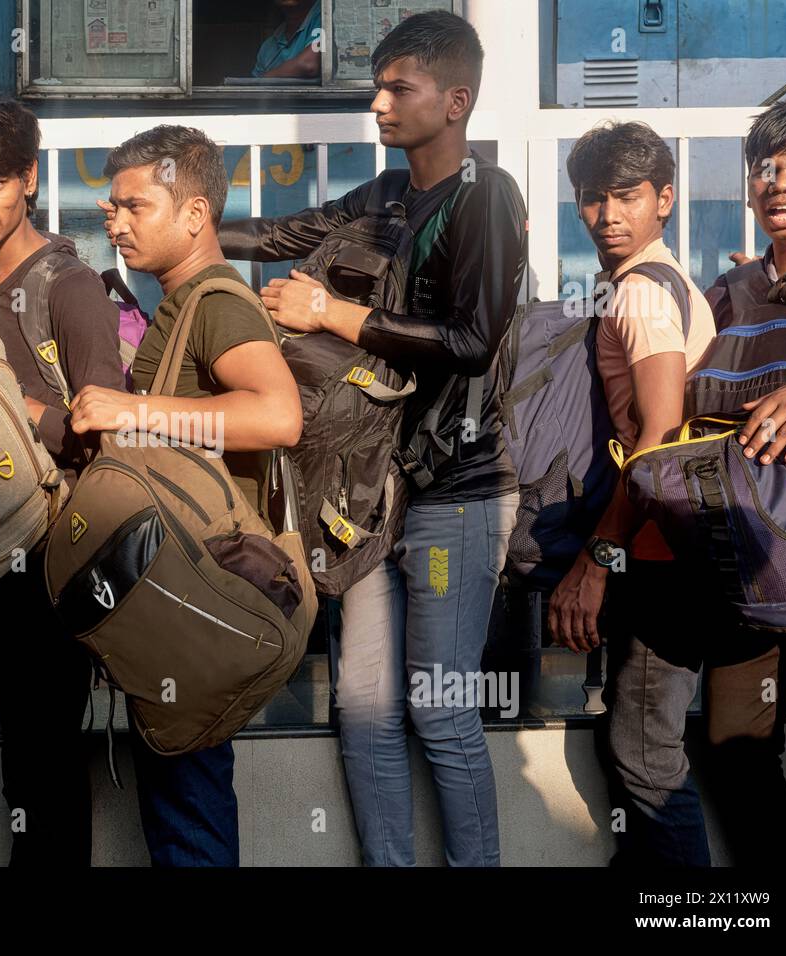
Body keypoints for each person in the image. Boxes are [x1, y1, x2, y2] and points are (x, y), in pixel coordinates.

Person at [210, 11, 526, 867]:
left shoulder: (485, 196)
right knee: (362, 705)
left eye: (400, 88)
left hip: (456, 492)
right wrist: (186, 234)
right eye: (377, 87)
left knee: (441, 705)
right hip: (371, 495)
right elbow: (283, 236)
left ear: (455, 100)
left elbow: (473, 340)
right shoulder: (386, 195)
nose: (379, 105)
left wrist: (334, 313)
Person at [82, 124, 302, 866]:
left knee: (191, 825)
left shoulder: (217, 302)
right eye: (111, 208)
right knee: (181, 818)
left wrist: (132, 412)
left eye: (135, 206)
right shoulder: (176, 303)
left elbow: (278, 415)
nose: (116, 223)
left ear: (195, 214)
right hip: (180, 601)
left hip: (202, 601)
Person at [0, 94, 126, 865]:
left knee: (45, 775)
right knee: (19, 779)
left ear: (29, 179)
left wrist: (4, 401)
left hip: (52, 570)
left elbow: (101, 433)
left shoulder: (69, 289)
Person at [551, 121, 716, 867]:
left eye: (627, 195)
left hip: (658, 550)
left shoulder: (644, 296)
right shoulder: (652, 284)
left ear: (665, 199)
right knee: (638, 744)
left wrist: (596, 564)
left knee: (645, 754)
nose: (608, 214)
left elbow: (658, 436)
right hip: (664, 545)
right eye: (592, 198)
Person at [702, 98, 786, 866]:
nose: (780, 182)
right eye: (766, 168)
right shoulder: (724, 294)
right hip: (745, 564)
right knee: (734, 750)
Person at [252, 0, 322, 79]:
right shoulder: (267, 47)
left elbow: (308, 64)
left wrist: (267, 77)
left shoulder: (326, 13)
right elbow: (256, 86)